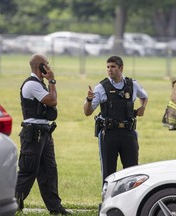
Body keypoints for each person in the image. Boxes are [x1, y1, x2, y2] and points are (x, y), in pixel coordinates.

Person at [15, 53, 71, 215]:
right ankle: (13, 202)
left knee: (49, 171)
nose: (49, 67)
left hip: (44, 133)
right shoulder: (32, 85)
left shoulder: (39, 83)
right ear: (40, 66)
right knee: (29, 170)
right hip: (33, 134)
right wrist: (52, 81)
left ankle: (55, 208)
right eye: (47, 64)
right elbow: (52, 100)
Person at [83, 55, 148, 182]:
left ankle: (130, 200)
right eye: (107, 67)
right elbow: (87, 112)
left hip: (128, 133)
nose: (109, 70)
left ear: (121, 68)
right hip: (109, 134)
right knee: (108, 171)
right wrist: (89, 100)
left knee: (132, 171)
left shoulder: (132, 84)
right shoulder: (101, 87)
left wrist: (142, 108)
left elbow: (144, 96)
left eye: (113, 67)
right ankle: (107, 200)